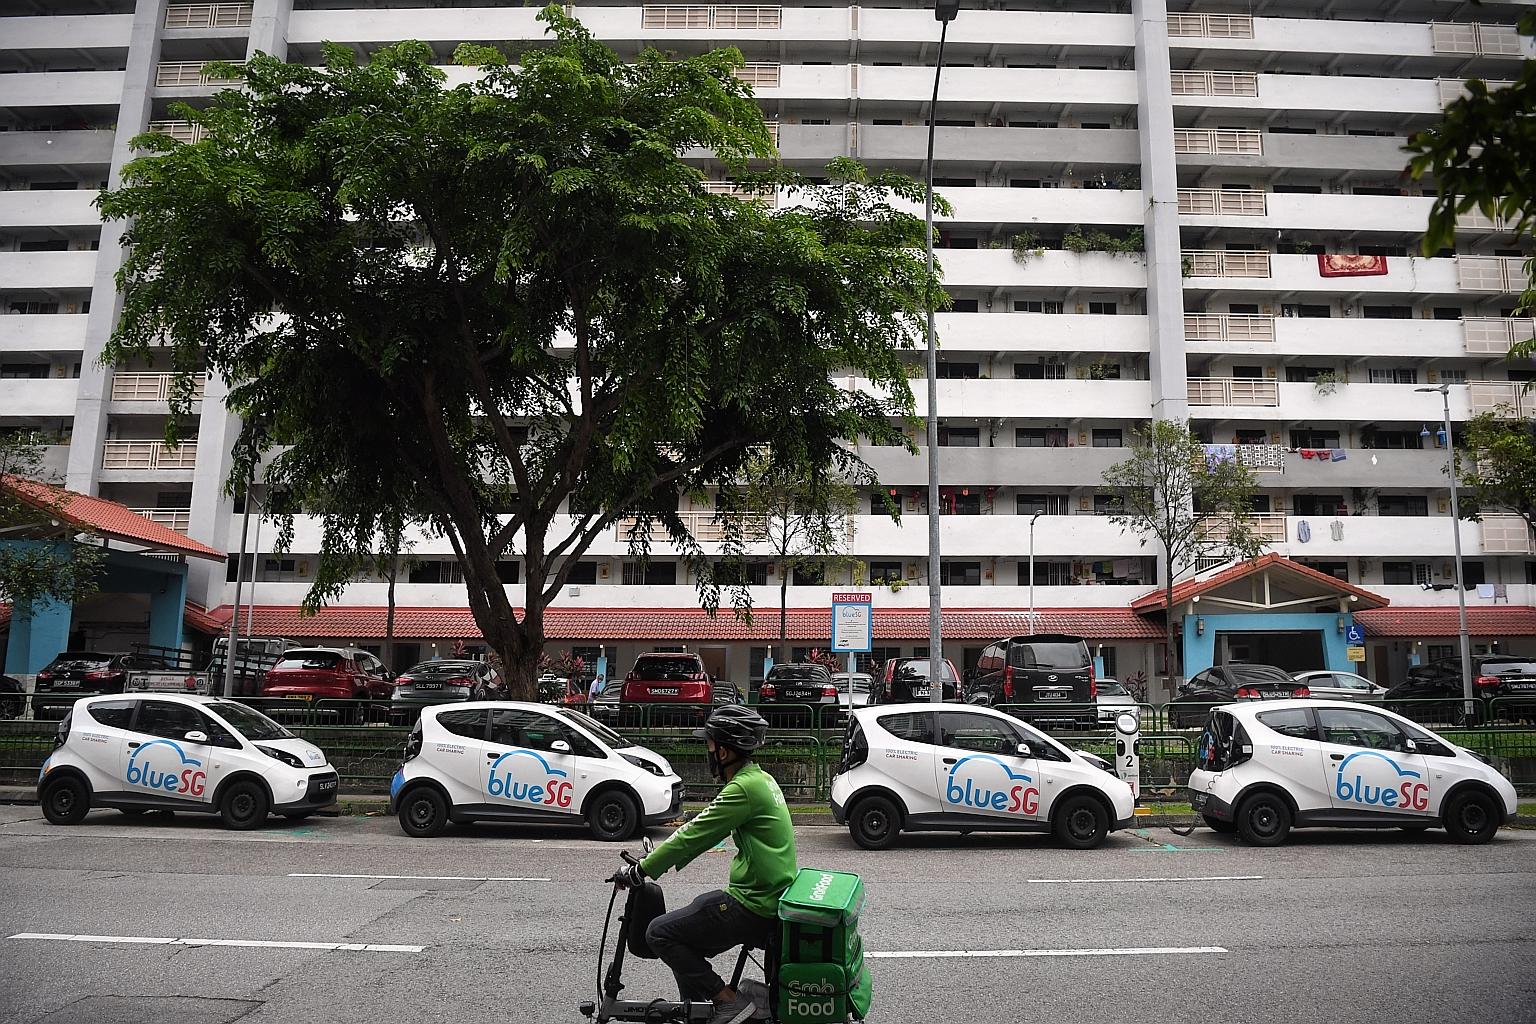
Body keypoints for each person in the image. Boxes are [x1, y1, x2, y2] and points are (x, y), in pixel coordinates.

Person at [610, 705, 796, 1024]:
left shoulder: (743, 789)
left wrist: (641, 870)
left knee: (659, 932)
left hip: (753, 904)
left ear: (723, 752)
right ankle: (697, 1013)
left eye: (709, 745)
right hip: (767, 896)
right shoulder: (761, 779)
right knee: (689, 920)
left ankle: (727, 1001)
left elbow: (693, 834)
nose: (707, 752)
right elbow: (701, 836)